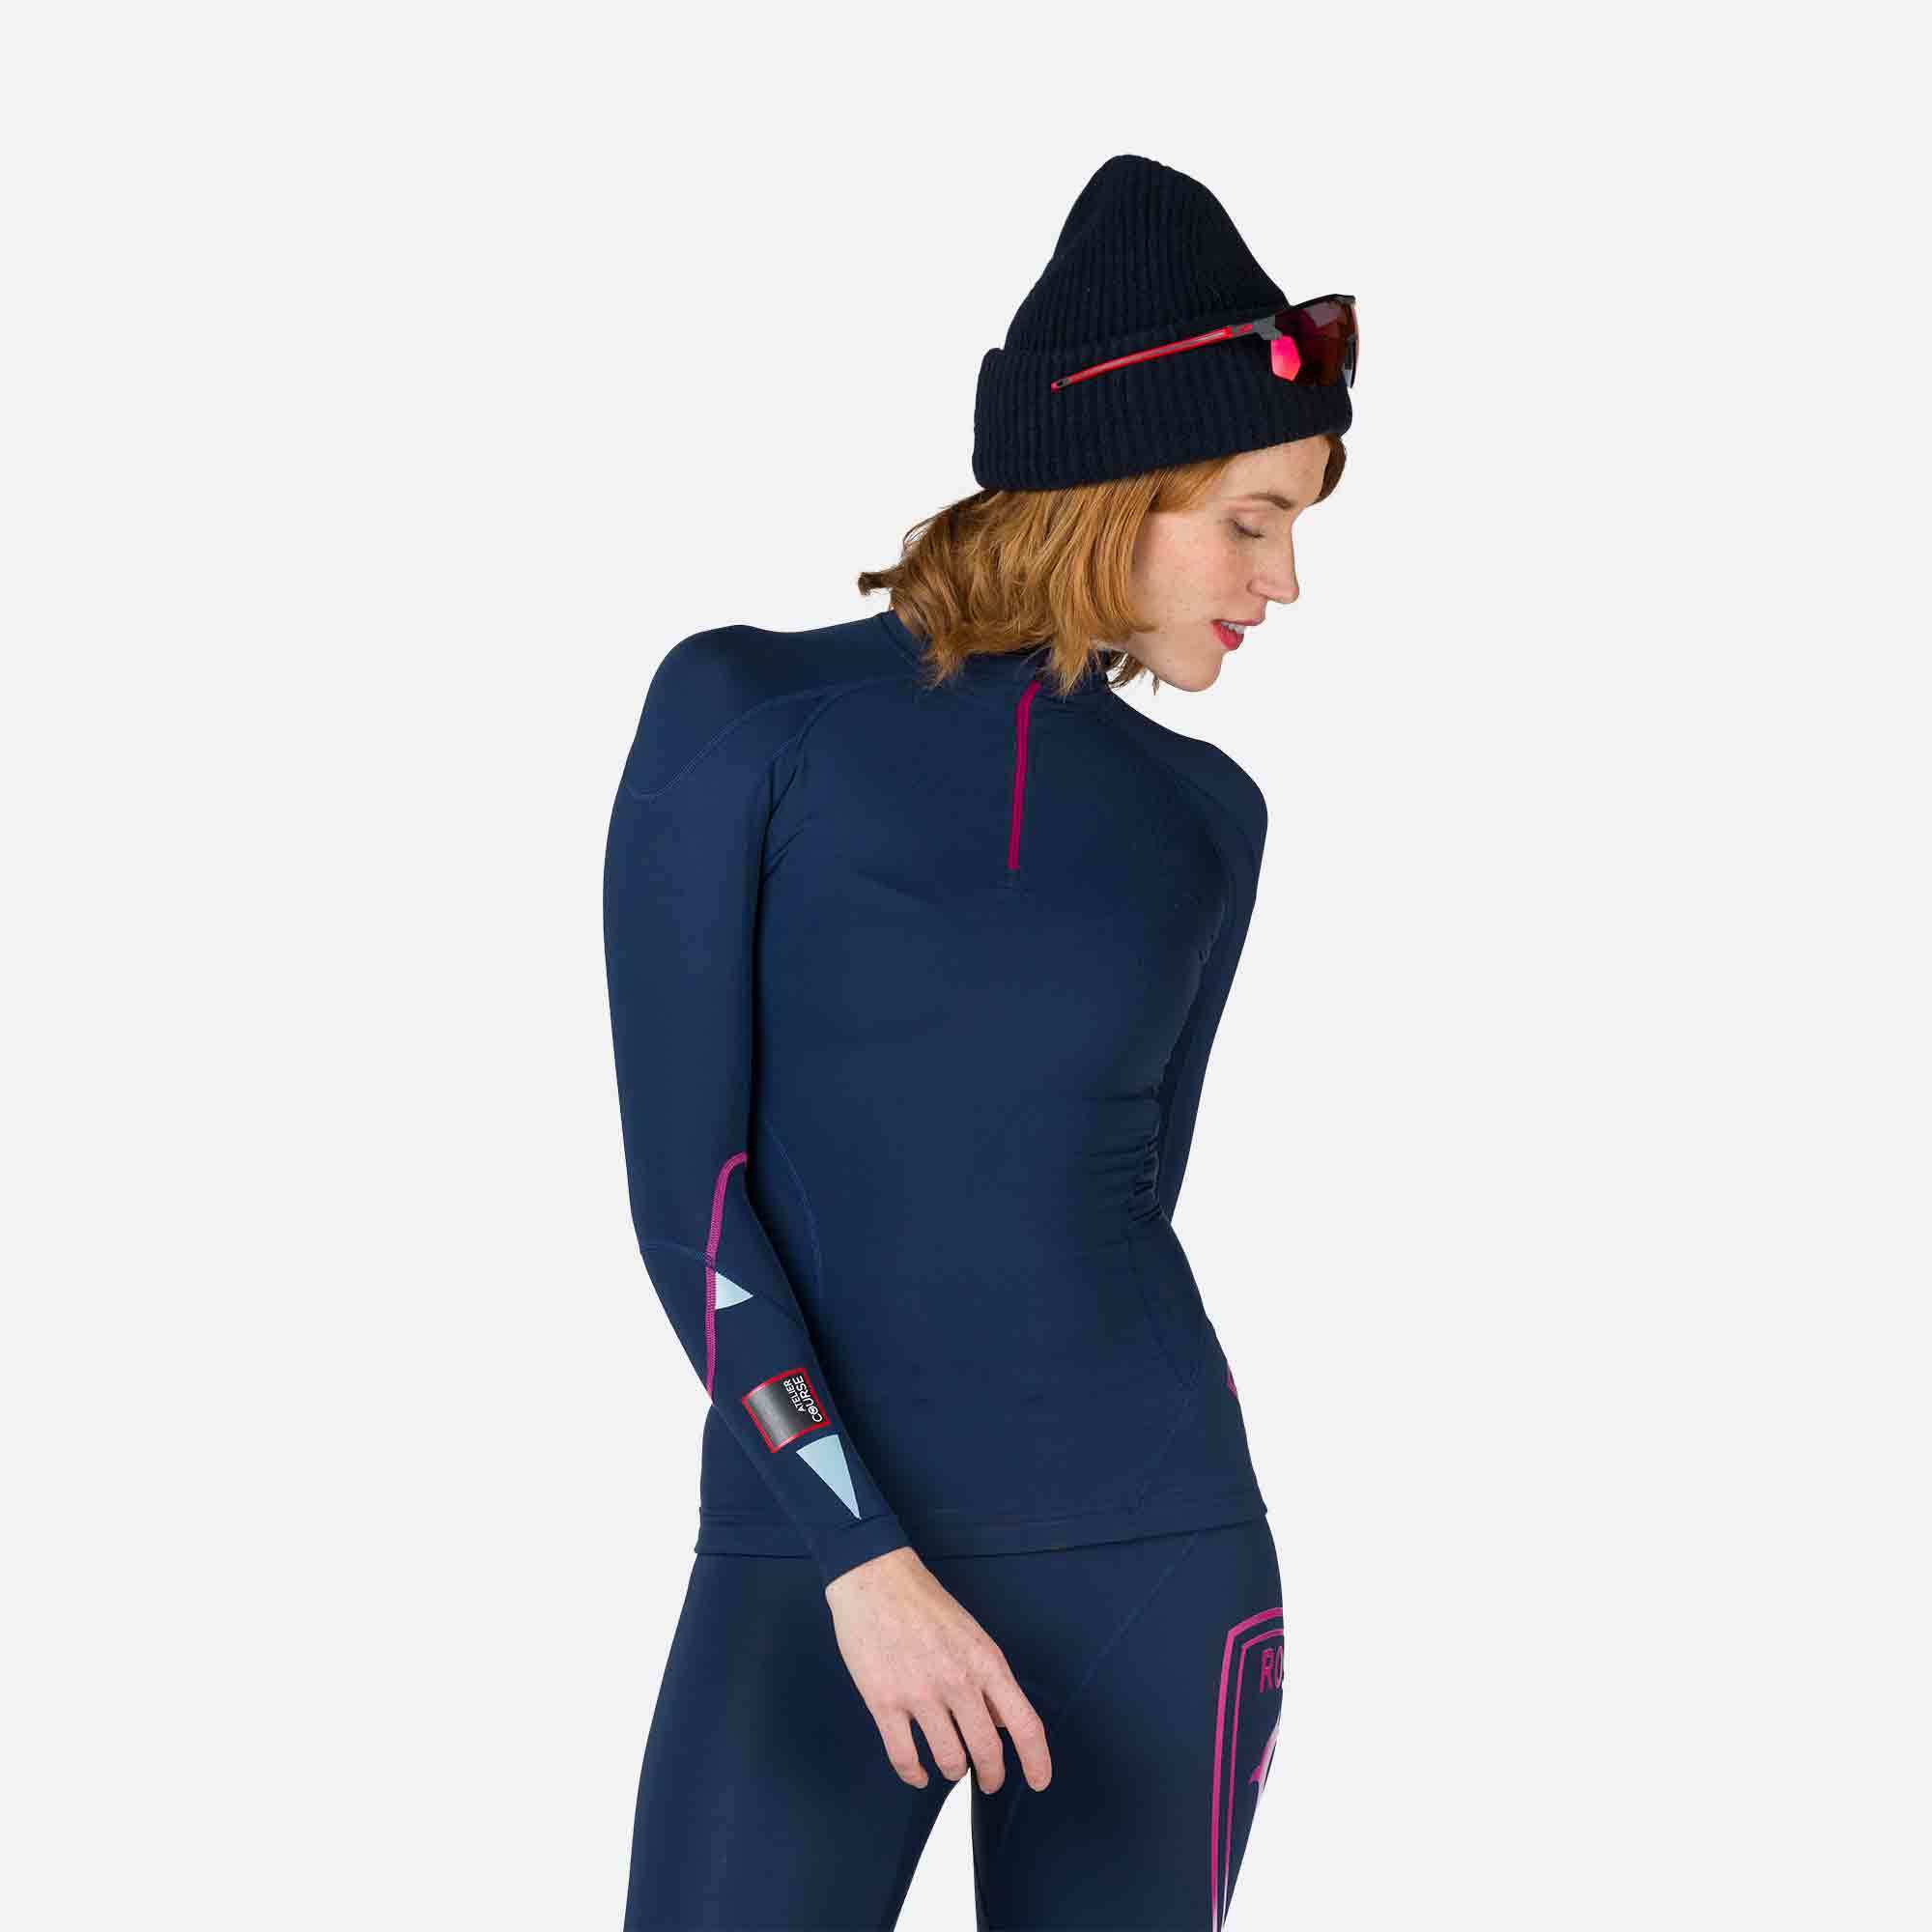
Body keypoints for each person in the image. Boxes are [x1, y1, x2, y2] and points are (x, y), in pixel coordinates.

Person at [603, 154, 1357, 1931]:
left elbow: (1116, 1200)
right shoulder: (749, 714)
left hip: (1152, 1569)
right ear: (1113, 490)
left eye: (1299, 529)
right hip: (814, 1572)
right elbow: (695, 1204)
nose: (1286, 581)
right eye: (1250, 519)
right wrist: (861, 1554)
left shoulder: (1209, 820)